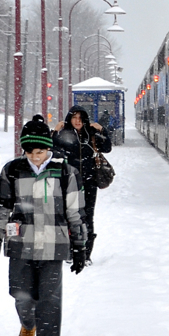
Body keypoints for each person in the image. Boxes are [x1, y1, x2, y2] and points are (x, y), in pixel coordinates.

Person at [0, 116, 87, 336]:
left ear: (48, 148)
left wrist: (80, 247)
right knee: (21, 295)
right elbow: (1, 207)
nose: (34, 156)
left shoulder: (65, 171)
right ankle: (28, 325)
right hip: (20, 243)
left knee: (50, 297)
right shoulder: (12, 170)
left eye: (40, 150)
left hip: (54, 244)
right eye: (29, 151)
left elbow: (75, 211)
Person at [53, 104, 112, 260]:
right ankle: (71, 251)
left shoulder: (91, 134)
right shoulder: (63, 135)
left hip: (89, 182)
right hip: (67, 183)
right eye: (74, 117)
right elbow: (49, 150)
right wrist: (54, 131)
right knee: (68, 216)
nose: (77, 121)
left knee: (86, 217)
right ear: (69, 119)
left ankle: (86, 254)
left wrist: (102, 130)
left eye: (80, 118)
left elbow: (107, 148)